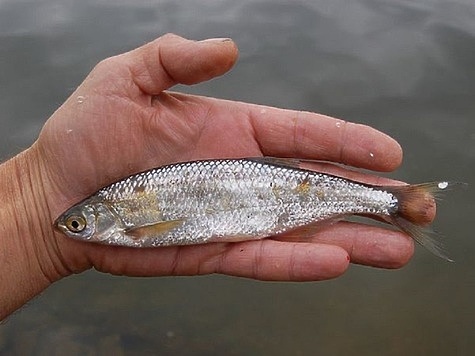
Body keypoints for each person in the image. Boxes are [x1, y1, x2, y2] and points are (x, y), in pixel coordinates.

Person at [0, 34, 417, 320]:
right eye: (76, 226)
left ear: (103, 216)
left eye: (78, 225)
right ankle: (392, 203)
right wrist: (36, 208)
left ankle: (391, 203)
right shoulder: (118, 206)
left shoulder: (126, 211)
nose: (74, 229)